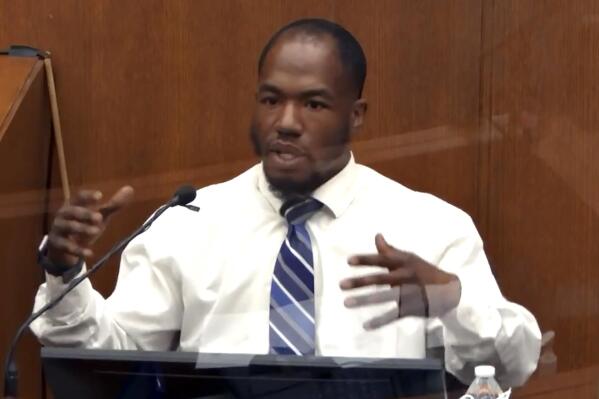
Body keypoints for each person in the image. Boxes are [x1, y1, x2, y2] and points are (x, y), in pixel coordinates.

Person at [31, 18, 541, 387]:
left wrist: (452, 299)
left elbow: (513, 364)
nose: (287, 121)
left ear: (356, 114)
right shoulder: (189, 222)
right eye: (272, 99)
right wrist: (64, 273)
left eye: (313, 103)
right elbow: (109, 361)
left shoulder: (430, 226)